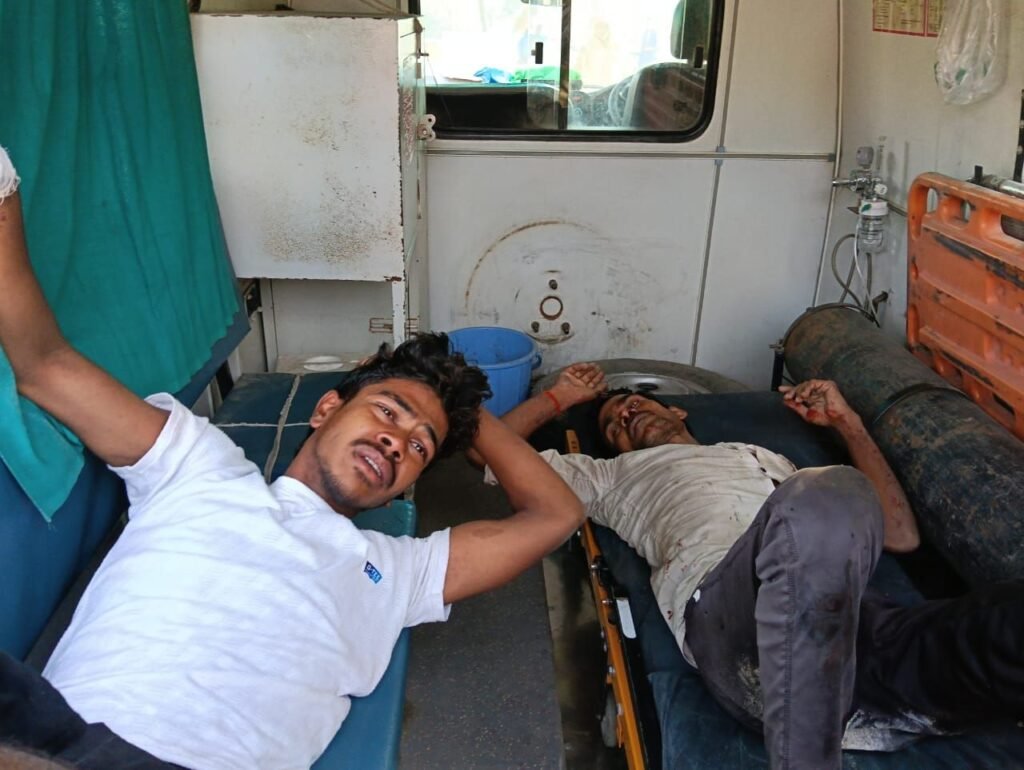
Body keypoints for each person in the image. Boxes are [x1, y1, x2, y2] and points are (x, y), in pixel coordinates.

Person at [0, 146, 584, 770]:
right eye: (387, 412)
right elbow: (46, 367)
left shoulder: (398, 572)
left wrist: (462, 409)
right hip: (54, 734)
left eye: (418, 447)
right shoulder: (195, 465)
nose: (397, 441)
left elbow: (557, 514)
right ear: (326, 408)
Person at [485, 363, 1024, 769]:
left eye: (633, 404)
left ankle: (824, 715)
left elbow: (900, 535)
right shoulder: (611, 477)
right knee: (827, 495)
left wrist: (848, 422)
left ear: (679, 412)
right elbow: (486, 453)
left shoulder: (762, 456)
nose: (625, 415)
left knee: (1003, 623)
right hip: (735, 622)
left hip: (859, 637)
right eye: (613, 425)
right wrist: (559, 397)